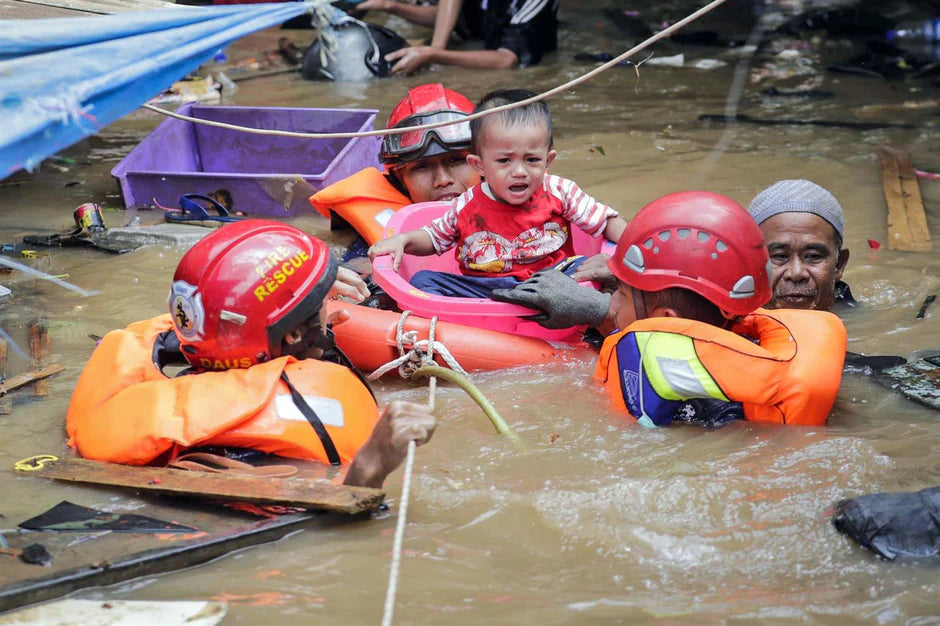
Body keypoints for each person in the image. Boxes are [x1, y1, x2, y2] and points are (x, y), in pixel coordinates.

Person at [66, 220, 436, 488]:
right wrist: (370, 468)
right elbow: (297, 516)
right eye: (320, 303)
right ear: (293, 333)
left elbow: (223, 317)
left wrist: (309, 316)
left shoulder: (185, 377)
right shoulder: (234, 447)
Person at [495, 192, 847, 426]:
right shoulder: (755, 341)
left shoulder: (697, 407)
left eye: (620, 294)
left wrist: (599, 310)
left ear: (666, 322)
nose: (611, 302)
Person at [367, 88, 627, 298]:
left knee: (588, 266)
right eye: (504, 161)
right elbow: (433, 238)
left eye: (532, 160)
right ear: (479, 165)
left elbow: (607, 221)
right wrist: (403, 240)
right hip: (486, 290)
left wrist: (627, 257)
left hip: (552, 280)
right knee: (423, 281)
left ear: (548, 161)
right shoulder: (465, 204)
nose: (519, 172)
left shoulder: (560, 191)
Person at [309, 83, 480, 256]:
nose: (442, 180)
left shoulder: (499, 195)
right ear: (400, 178)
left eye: (456, 160)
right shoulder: (364, 244)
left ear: (483, 165)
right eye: (422, 166)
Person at [358, 0, 557, 74]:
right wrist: (387, 6)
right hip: (478, 44)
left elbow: (508, 59)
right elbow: (447, 18)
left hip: (526, 64)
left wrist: (434, 55)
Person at [747, 179, 853, 312]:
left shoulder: (862, 322)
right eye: (779, 256)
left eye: (813, 256)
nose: (796, 274)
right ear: (748, 265)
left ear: (839, 265)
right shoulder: (727, 320)